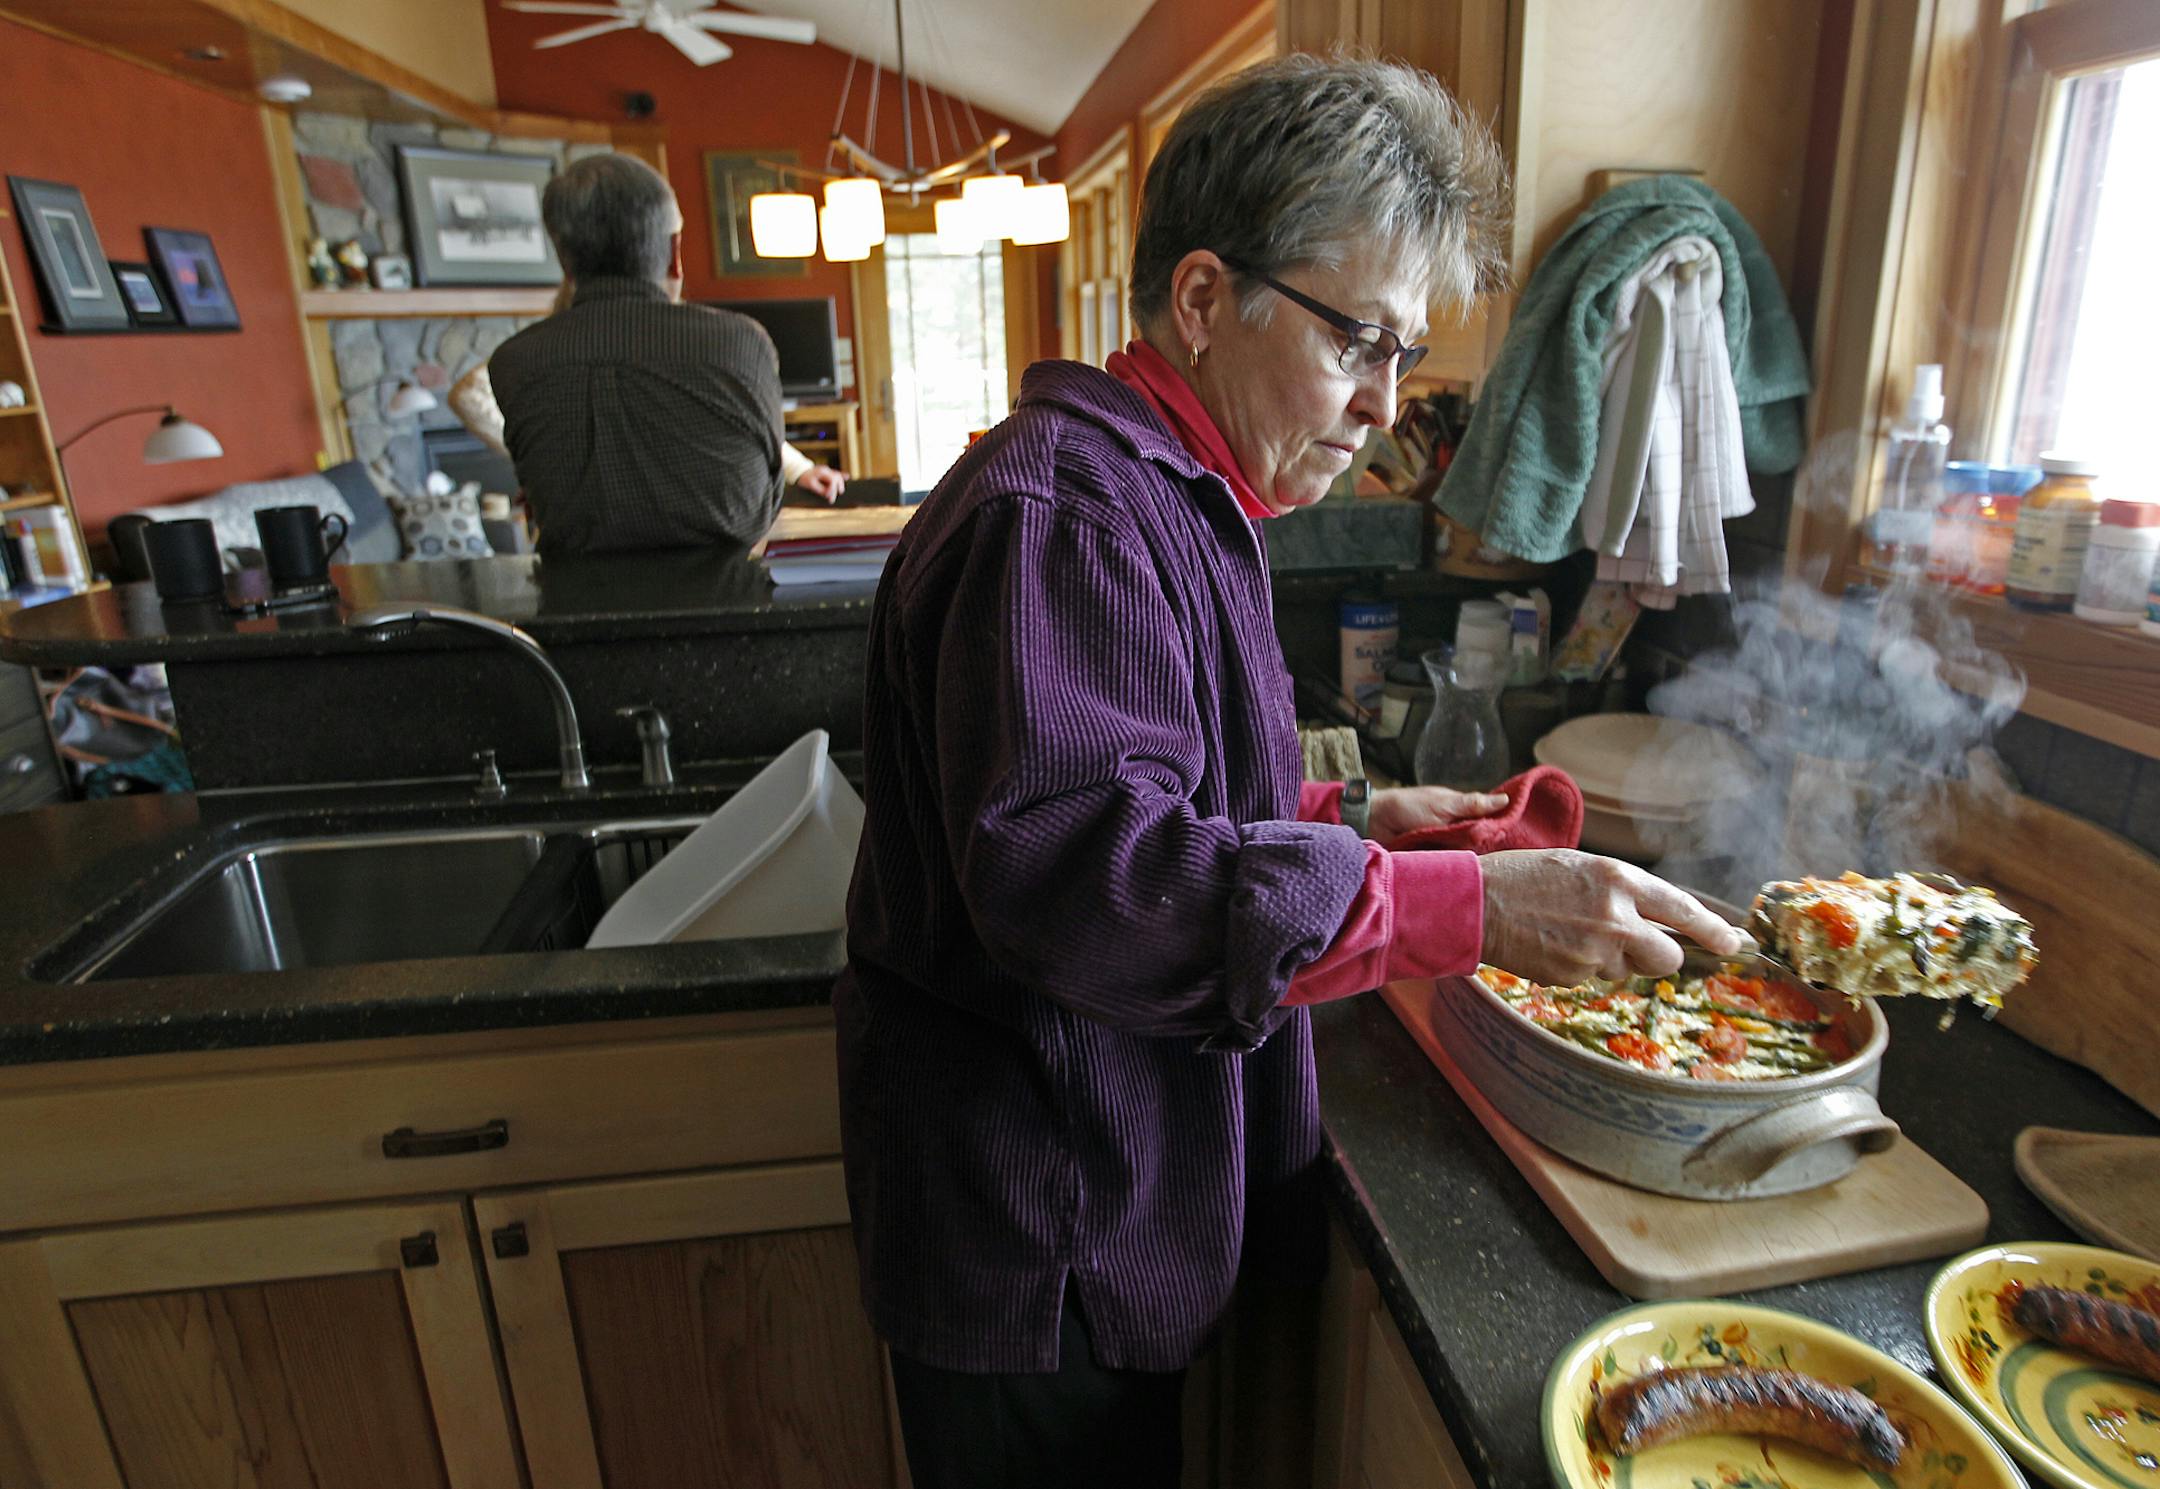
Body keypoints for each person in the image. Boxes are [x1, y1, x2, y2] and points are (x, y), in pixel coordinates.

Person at [835, 54, 1747, 1489]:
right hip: (1043, 1231)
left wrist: (1359, 817)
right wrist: (1472, 914)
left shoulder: (1178, 491)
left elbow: (1168, 793)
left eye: (1406, 353)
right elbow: (1092, 885)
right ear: (1203, 300)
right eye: (1360, 342)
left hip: (1101, 1192)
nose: (1389, 401)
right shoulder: (1066, 516)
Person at [488, 154, 844, 555]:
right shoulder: (741, 343)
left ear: (565, 263)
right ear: (675, 253)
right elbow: (765, 492)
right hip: (736, 604)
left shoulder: (513, 362)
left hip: (577, 609)